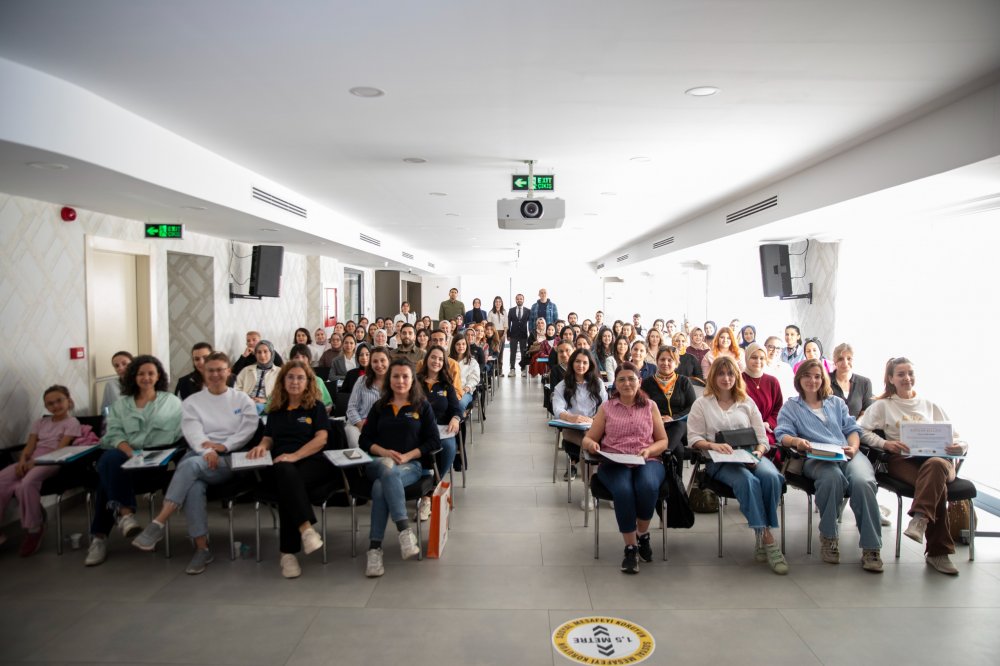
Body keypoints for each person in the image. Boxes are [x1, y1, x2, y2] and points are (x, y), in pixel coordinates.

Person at [131, 353, 258, 573]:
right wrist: (207, 450)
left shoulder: (242, 399)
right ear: (203, 373)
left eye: (220, 370)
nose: (215, 374)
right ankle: (202, 549)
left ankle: (159, 522)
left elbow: (247, 429)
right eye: (210, 370)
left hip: (230, 459)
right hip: (201, 456)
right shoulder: (192, 402)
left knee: (189, 466)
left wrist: (223, 446)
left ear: (229, 372)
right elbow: (193, 432)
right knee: (194, 485)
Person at [858, 357, 968, 575]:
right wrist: (885, 444)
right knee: (936, 487)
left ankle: (920, 518)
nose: (907, 378)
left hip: (940, 461)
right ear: (891, 379)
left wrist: (961, 447)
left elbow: (958, 437)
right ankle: (938, 553)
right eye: (901, 374)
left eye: (910, 373)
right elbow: (861, 431)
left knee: (935, 467)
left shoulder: (930, 405)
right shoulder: (883, 406)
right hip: (904, 461)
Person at [775, 360, 884, 572]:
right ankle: (829, 536)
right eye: (807, 376)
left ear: (823, 379)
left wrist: (853, 447)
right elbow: (782, 434)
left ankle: (872, 547)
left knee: (863, 482)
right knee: (832, 478)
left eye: (817, 376)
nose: (812, 380)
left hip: (846, 452)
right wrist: (797, 441)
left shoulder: (836, 403)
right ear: (799, 379)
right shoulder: (791, 406)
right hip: (815, 457)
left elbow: (852, 429)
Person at [687, 356, 788, 575]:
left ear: (736, 377)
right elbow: (693, 438)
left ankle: (761, 532)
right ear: (713, 376)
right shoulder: (702, 404)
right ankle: (768, 538)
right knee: (748, 481)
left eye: (730, 374)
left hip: (750, 454)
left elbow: (762, 438)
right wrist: (713, 445)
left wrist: (758, 453)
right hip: (719, 460)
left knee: (772, 477)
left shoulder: (747, 402)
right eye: (721, 374)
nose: (726, 378)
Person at [86, 355, 183, 566]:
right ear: (133, 376)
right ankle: (125, 515)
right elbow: (112, 434)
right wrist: (130, 451)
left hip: (154, 465)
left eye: (151, 373)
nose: (146, 378)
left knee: (105, 480)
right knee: (110, 458)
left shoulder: (172, 402)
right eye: (141, 374)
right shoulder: (121, 405)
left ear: (158, 376)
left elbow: (180, 434)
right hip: (126, 458)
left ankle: (101, 536)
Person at [582, 362, 668, 574]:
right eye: (621, 379)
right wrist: (592, 445)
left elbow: (663, 441)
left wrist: (649, 450)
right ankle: (631, 548)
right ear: (615, 384)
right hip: (614, 462)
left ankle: (642, 534)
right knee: (623, 491)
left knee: (647, 486)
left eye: (631, 379)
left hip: (647, 460)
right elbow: (588, 439)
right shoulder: (607, 408)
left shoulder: (650, 406)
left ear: (640, 381)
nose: (627, 383)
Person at [246, 361, 330, 578]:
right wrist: (261, 446)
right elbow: (268, 438)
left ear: (308, 382)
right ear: (283, 381)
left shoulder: (316, 407)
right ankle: (306, 530)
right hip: (282, 464)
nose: (295, 382)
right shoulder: (276, 410)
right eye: (290, 377)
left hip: (312, 461)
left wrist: (295, 456)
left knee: (287, 482)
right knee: (287, 477)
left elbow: (321, 439)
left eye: (300, 377)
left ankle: (287, 554)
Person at [360, 358, 440, 577]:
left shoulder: (422, 406)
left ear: (413, 380)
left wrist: (407, 456)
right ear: (389, 379)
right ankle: (404, 530)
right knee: (386, 470)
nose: (400, 380)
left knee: (380, 487)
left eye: (405, 376)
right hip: (378, 463)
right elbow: (364, 441)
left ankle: (374, 549)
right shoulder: (379, 407)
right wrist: (385, 452)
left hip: (410, 466)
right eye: (396, 376)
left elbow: (434, 441)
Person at [0, 385, 81, 556]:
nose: (55, 406)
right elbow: (30, 446)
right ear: (46, 406)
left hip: (53, 461)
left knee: (26, 483)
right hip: (32, 459)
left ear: (68, 400)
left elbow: (60, 449)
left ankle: (34, 529)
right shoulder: (40, 423)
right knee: (3, 479)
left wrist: (35, 463)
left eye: (59, 401)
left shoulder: (72, 422)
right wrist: (23, 461)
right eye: (50, 403)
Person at [553, 349, 608, 491]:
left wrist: (594, 419)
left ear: (590, 365)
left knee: (592, 441)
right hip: (572, 429)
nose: (581, 365)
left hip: (594, 426)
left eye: (585, 362)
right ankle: (589, 489)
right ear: (572, 363)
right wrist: (571, 417)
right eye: (577, 361)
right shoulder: (562, 385)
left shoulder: (598, 383)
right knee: (587, 443)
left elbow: (605, 407)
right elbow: (558, 409)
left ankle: (606, 484)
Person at [416, 345, 461, 518]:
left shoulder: (446, 385)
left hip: (442, 429)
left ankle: (429, 491)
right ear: (427, 359)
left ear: (444, 363)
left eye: (440, 359)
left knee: (449, 447)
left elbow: (456, 408)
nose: (436, 361)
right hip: (419, 429)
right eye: (433, 357)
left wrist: (455, 418)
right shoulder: (415, 382)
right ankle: (427, 491)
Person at [640, 345, 698, 459]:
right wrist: (659, 419)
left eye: (670, 360)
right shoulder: (647, 383)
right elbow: (643, 407)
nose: (665, 363)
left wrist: (673, 418)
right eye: (662, 359)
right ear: (657, 361)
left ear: (676, 363)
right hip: (657, 426)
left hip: (681, 427)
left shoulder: (684, 381)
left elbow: (692, 406)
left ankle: (664, 452)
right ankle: (668, 454)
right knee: (679, 450)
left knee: (678, 424)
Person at [345, 347, 390, 448]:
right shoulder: (361, 380)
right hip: (359, 424)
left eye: (382, 360)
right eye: (375, 361)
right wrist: (362, 426)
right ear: (370, 363)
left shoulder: (394, 382)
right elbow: (352, 408)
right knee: (358, 444)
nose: (379, 365)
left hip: (384, 426)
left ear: (389, 361)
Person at [742, 343, 783, 448]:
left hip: (767, 431)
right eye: (754, 357)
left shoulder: (772, 381)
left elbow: (778, 409)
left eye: (762, 358)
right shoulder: (738, 380)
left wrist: (768, 423)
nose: (758, 361)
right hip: (743, 431)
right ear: (746, 358)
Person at [829, 342, 873, 418]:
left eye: (849, 358)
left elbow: (866, 413)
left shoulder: (865, 383)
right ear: (835, 361)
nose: (845, 362)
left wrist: (855, 425)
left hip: (857, 425)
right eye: (840, 359)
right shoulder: (825, 380)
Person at [234, 340, 280, 409]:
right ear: (255, 354)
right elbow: (237, 389)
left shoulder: (280, 372)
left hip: (269, 407)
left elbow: (282, 394)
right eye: (259, 352)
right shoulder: (246, 370)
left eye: (265, 351)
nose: (262, 355)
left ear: (271, 353)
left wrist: (266, 401)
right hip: (246, 405)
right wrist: (246, 400)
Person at [288, 345, 332, 410]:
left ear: (309, 360)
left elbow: (328, 404)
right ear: (291, 360)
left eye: (303, 357)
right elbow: (275, 403)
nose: (300, 360)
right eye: (296, 357)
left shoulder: (318, 381)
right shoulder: (286, 380)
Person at [450, 335, 480, 412]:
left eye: (463, 344)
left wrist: (465, 389)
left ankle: (459, 418)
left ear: (467, 346)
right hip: (450, 390)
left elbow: (474, 379)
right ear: (454, 346)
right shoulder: (448, 360)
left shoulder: (472, 362)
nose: (461, 346)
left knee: (459, 404)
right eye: (458, 344)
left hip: (465, 391)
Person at [762, 335, 795, 401]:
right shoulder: (759, 367)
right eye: (771, 347)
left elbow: (793, 390)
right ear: (764, 347)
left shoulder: (787, 368)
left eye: (778, 348)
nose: (774, 351)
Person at [488, 296, 508, 372]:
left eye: (499, 302)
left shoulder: (504, 312)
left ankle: (500, 370)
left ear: (501, 303)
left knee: (501, 352)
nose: (498, 303)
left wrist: (504, 334)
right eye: (496, 301)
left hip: (502, 333)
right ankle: (493, 369)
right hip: (494, 333)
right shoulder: (491, 312)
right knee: (494, 351)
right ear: (494, 303)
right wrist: (493, 334)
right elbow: (489, 325)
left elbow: (506, 324)